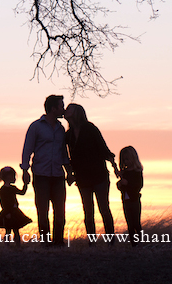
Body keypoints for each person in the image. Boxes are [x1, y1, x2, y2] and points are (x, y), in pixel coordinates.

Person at [20, 94, 73, 246]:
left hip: (57, 174)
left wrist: (68, 171)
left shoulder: (61, 129)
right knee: (42, 210)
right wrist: (25, 170)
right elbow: (27, 149)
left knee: (60, 211)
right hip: (40, 174)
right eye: (61, 106)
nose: (63, 109)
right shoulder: (36, 126)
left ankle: (58, 241)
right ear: (53, 108)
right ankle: (45, 241)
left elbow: (63, 152)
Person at [64, 103, 118, 241]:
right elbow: (66, 156)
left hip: (99, 175)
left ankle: (110, 241)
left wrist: (114, 165)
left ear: (77, 112)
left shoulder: (90, 128)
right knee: (88, 211)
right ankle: (92, 242)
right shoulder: (68, 135)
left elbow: (102, 147)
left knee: (104, 209)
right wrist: (69, 173)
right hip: (82, 178)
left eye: (69, 108)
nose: (65, 110)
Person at [0, 166, 32, 244]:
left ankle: (17, 246)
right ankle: (7, 246)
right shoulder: (1, 191)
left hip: (15, 211)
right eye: (12, 176)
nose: (14, 178)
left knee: (16, 229)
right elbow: (3, 204)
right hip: (7, 212)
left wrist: (25, 184)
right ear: (8, 177)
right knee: (8, 230)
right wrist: (7, 213)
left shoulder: (13, 188)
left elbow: (22, 192)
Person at [117, 145, 144, 244]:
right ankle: (133, 244)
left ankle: (140, 242)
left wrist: (127, 183)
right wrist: (120, 184)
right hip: (126, 200)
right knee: (130, 223)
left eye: (127, 159)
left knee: (136, 223)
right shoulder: (124, 173)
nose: (126, 162)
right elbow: (122, 188)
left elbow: (139, 185)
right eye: (124, 160)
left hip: (134, 200)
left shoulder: (137, 172)